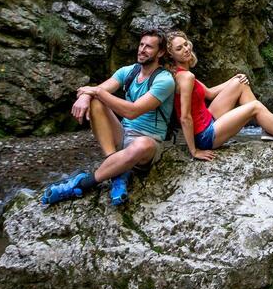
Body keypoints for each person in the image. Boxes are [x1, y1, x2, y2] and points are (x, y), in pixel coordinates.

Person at [40, 28, 175, 207]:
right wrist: (86, 96)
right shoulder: (129, 71)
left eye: (149, 47)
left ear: (161, 52)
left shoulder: (165, 80)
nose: (142, 50)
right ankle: (118, 172)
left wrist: (94, 90)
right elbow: (97, 91)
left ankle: (83, 183)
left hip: (147, 143)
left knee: (142, 144)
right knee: (96, 101)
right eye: (141, 44)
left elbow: (132, 111)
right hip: (123, 134)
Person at [166, 30, 273, 160]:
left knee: (240, 83)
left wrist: (233, 79)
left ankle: (270, 131)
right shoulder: (186, 77)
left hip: (208, 119)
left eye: (186, 44)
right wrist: (194, 151)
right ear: (171, 55)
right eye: (179, 48)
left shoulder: (183, 73)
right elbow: (185, 117)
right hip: (205, 136)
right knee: (254, 107)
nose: (186, 49)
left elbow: (209, 93)